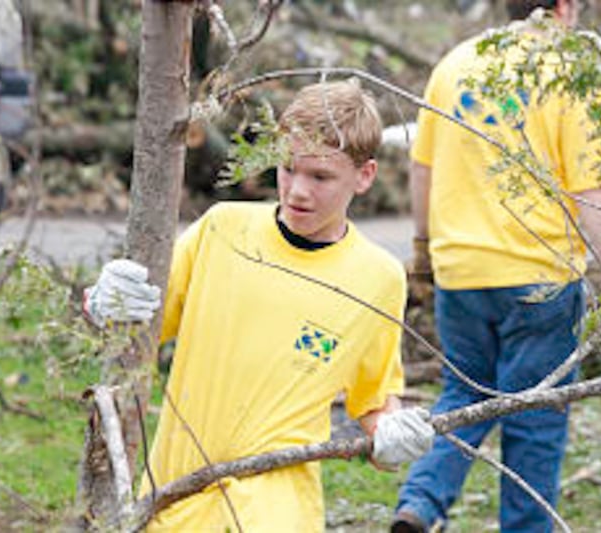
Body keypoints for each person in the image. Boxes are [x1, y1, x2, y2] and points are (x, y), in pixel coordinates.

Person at [83, 79, 435, 532]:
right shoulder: (222, 230)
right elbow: (134, 330)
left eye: (321, 177)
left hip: (278, 511)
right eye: (288, 168)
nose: (297, 191)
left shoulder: (379, 277)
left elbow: (373, 399)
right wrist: (103, 303)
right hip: (175, 499)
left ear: (364, 176)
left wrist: (392, 434)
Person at [393, 1, 601, 531]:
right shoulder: (574, 75)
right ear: (565, 7)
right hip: (539, 278)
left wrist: (423, 250)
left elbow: (422, 170)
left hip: (461, 272)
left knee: (463, 397)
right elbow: (595, 196)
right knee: (534, 420)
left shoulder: (455, 64)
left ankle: (420, 503)